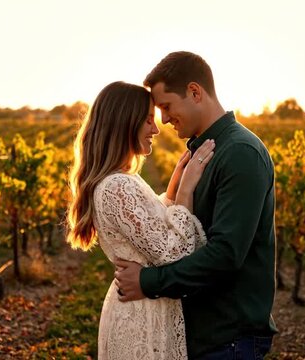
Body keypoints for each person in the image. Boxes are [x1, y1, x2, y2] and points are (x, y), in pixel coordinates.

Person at [114, 51, 278, 359]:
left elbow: (225, 254)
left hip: (228, 338)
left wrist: (148, 282)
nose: (163, 119)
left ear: (194, 92)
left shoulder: (240, 153)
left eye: (166, 106)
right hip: (206, 334)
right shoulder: (203, 151)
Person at [66, 81, 216, 359]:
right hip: (142, 317)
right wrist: (185, 192)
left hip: (141, 309)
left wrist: (170, 194)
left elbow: (148, 231)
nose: (157, 129)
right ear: (125, 123)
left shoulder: (120, 181)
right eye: (148, 120)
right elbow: (175, 253)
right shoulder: (119, 186)